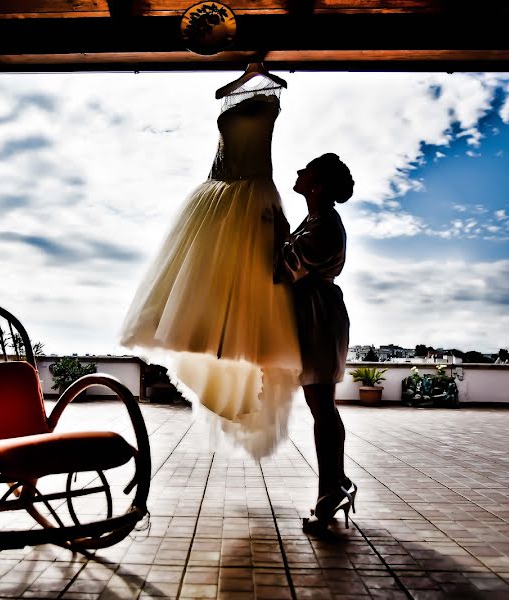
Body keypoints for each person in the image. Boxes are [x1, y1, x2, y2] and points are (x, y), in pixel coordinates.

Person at [120, 67, 302, 459]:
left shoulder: (273, 92)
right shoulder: (227, 96)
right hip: (216, 191)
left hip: (252, 191)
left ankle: (241, 384)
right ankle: (221, 376)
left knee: (246, 292)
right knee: (204, 290)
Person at [273, 152, 357, 533]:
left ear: (317, 185)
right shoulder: (316, 220)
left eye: (304, 170)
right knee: (319, 404)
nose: (297, 171)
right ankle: (335, 484)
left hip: (319, 318)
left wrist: (271, 233)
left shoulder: (324, 227)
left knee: (322, 405)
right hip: (312, 315)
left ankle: (331, 492)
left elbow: (283, 269)